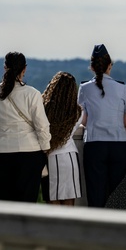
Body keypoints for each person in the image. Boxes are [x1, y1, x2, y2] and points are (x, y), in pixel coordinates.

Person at [0, 51, 51, 202]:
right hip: (29, 152)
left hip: (0, 152)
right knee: (26, 203)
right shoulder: (33, 94)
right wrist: (45, 147)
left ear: (5, 68)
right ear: (24, 69)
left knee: (3, 203)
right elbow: (42, 127)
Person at [78, 44, 126, 208]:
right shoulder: (122, 87)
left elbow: (82, 119)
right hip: (119, 145)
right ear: (110, 65)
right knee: (119, 195)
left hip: (95, 145)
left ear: (92, 67)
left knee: (96, 195)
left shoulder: (84, 88)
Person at [41, 72, 82, 205]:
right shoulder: (78, 112)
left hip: (51, 157)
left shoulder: (44, 109)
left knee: (52, 202)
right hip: (70, 157)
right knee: (69, 202)